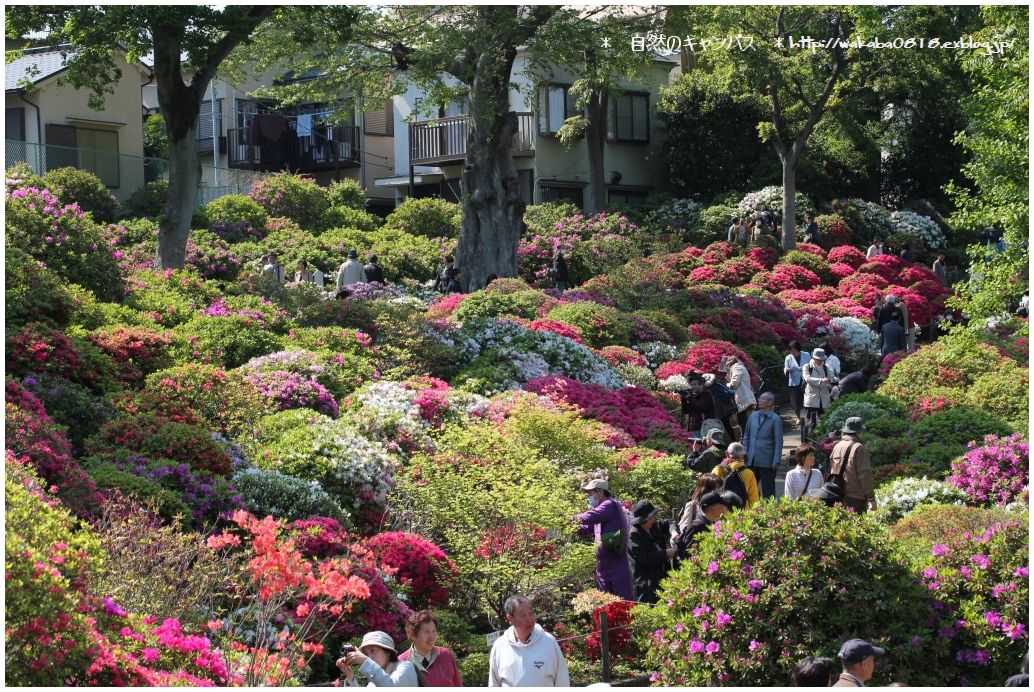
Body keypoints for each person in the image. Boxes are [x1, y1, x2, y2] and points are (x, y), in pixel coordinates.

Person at [488, 595, 569, 687]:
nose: (529, 619)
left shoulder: (548, 641)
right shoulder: (500, 646)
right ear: (510, 618)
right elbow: (494, 684)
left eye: (531, 613)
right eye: (523, 615)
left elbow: (562, 680)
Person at [574, 478, 633, 600]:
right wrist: (571, 528)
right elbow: (586, 528)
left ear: (599, 492)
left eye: (590, 493)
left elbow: (590, 517)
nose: (588, 497)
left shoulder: (609, 505)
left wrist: (571, 518)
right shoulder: (601, 512)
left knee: (623, 602)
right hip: (603, 564)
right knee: (606, 603)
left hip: (616, 562)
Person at [628, 500, 676, 604]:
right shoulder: (634, 535)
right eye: (648, 519)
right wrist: (666, 554)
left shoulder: (654, 526)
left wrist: (673, 532)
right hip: (646, 583)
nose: (652, 520)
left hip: (661, 577)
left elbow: (669, 522)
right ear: (641, 521)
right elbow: (644, 558)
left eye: (652, 517)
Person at [397, 610, 463, 687]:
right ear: (412, 635)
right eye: (426, 632)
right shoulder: (401, 662)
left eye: (434, 631)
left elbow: (458, 685)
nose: (432, 637)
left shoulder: (446, 655)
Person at [828, 417, 876, 514]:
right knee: (855, 528)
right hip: (856, 498)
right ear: (858, 432)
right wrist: (871, 498)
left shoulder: (837, 446)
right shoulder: (859, 448)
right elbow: (865, 475)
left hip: (838, 494)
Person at [337, 631, 418, 687]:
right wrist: (350, 677)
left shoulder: (406, 666)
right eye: (366, 654)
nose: (369, 657)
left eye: (372, 650)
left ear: (388, 651)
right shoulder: (374, 682)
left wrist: (365, 661)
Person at [742, 392, 783, 499]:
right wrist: (744, 452)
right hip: (751, 459)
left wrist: (776, 460)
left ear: (770, 402)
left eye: (763, 399)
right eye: (759, 398)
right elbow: (746, 435)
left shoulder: (775, 419)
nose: (759, 400)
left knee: (768, 490)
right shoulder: (752, 416)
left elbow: (779, 441)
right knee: (750, 489)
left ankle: (769, 513)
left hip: (768, 461)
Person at [679, 372, 735, 441]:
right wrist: (683, 398)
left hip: (706, 428)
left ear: (702, 384)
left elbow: (702, 407)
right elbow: (686, 410)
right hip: (695, 428)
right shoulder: (693, 396)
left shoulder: (706, 394)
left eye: (695, 384)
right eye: (691, 385)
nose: (693, 387)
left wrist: (689, 398)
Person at [712, 442, 760, 509]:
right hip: (742, 515)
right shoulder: (749, 473)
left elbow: (711, 492)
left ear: (726, 454)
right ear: (743, 456)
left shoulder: (718, 469)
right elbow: (754, 499)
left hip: (721, 511)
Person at [801, 348, 834, 443]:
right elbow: (807, 379)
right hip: (812, 399)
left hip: (824, 398)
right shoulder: (807, 367)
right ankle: (807, 441)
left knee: (825, 421)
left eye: (822, 359)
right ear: (813, 358)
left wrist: (832, 379)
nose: (820, 360)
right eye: (818, 359)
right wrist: (820, 380)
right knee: (811, 422)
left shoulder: (825, 367)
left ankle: (823, 441)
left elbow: (832, 377)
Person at [725, 355, 757, 434]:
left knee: (742, 420)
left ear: (730, 364)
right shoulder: (741, 367)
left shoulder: (736, 368)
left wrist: (727, 385)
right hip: (746, 397)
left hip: (743, 398)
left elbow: (734, 383)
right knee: (745, 420)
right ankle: (746, 438)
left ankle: (744, 439)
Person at [784, 340, 811, 428]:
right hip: (794, 381)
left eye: (794, 350)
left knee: (807, 399)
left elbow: (811, 366)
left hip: (805, 380)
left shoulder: (806, 355)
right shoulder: (788, 357)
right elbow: (785, 368)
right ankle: (798, 418)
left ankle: (808, 417)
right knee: (795, 401)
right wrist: (787, 370)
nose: (793, 352)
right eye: (791, 350)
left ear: (798, 349)